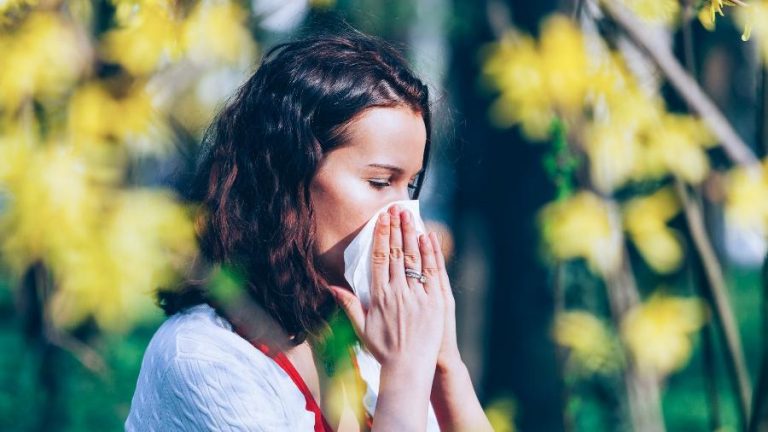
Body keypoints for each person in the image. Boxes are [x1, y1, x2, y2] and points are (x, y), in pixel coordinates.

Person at [125, 27, 492, 432]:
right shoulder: (204, 359)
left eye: (411, 186)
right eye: (380, 182)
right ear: (288, 176)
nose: (406, 216)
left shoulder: (366, 341)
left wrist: (443, 365)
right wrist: (405, 374)